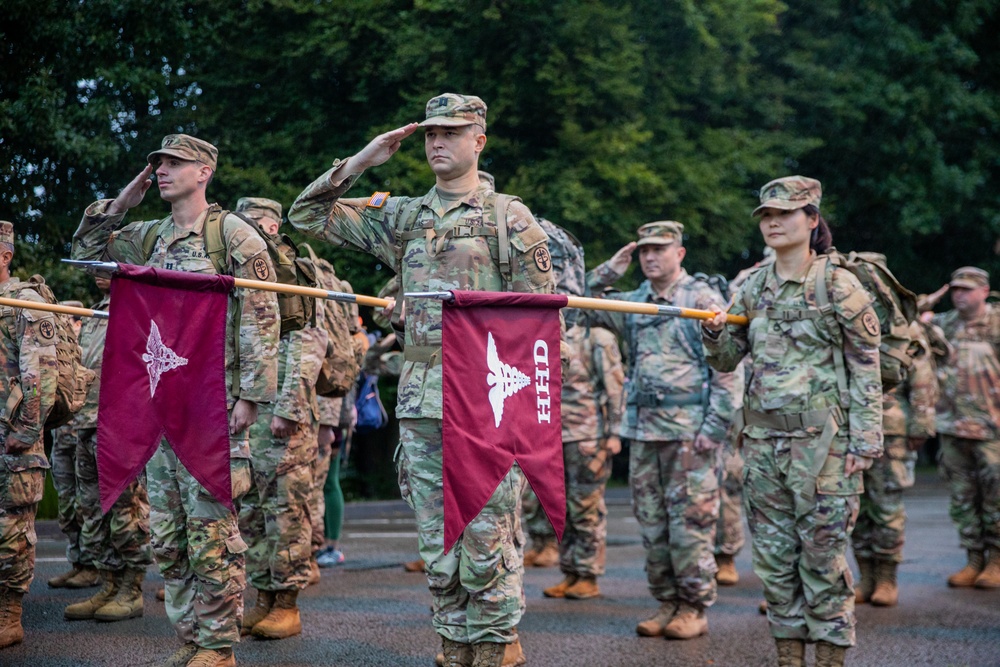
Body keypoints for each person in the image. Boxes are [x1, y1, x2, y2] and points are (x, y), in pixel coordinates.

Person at [289, 93, 554, 667]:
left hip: (489, 396)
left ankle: (496, 642)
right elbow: (306, 216)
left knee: (486, 531)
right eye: (430, 133)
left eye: (451, 133)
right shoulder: (408, 216)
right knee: (438, 536)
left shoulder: (510, 219)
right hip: (421, 393)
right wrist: (363, 160)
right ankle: (454, 640)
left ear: (478, 141)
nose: (437, 142)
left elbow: (543, 323)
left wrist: (530, 417)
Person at [72, 134, 280, 667]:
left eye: (174, 163)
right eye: (157, 164)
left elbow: (262, 315)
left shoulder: (233, 235)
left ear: (204, 170)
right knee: (169, 533)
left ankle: (217, 645)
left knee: (212, 532)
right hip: (162, 405)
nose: (162, 170)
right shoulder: (147, 236)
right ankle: (188, 637)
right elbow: (87, 257)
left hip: (214, 404)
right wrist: (121, 205)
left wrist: (253, 397)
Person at [702, 176, 883, 667]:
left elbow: (867, 370)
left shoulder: (838, 285)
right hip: (763, 446)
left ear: (811, 220)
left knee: (822, 561)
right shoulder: (754, 286)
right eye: (766, 215)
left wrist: (864, 445)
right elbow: (726, 360)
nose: (774, 222)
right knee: (775, 564)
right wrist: (714, 332)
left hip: (824, 448)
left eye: (785, 213)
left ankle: (828, 658)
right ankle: (788, 656)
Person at [586, 221, 741, 640]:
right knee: (652, 526)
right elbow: (577, 303)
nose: (651, 257)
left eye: (660, 249)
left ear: (680, 253)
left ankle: (693, 606)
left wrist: (715, 427)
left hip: (690, 433)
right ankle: (667, 601)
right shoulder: (636, 299)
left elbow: (727, 370)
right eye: (644, 251)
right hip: (644, 431)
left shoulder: (702, 299)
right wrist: (609, 272)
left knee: (690, 526)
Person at [233, 197, 325, 640]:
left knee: (287, 510)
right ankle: (264, 597)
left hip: (283, 416)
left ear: (271, 225)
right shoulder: (244, 274)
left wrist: (289, 406)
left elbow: (311, 341)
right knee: (252, 512)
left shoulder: (292, 270)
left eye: (253, 224)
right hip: (251, 411)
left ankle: (287, 604)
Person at [538, 219, 625, 601]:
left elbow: (615, 389)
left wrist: (614, 434)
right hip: (552, 435)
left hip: (588, 437)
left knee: (587, 508)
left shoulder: (597, 338)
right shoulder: (545, 332)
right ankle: (570, 571)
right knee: (561, 507)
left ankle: (588, 574)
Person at [63, 274, 155, 623]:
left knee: (125, 508)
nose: (98, 270)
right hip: (86, 423)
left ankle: (131, 589)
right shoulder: (97, 312)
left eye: (109, 262)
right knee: (93, 509)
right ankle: (109, 582)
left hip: (121, 423)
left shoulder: (138, 308)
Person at [0, 220, 59, 649]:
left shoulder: (25, 302)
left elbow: (41, 372)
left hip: (12, 438)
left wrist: (25, 430)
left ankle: (9, 613)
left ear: (5, 255)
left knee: (11, 528)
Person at [852, 322, 936, 606]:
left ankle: (887, 579)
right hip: (848, 427)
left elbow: (922, 377)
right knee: (855, 507)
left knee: (886, 506)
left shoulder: (903, 325)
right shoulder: (843, 312)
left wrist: (921, 424)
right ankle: (865, 577)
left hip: (891, 430)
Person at [932, 266, 1000, 589]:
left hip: (992, 429)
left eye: (967, 289)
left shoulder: (997, 323)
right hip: (952, 425)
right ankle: (974, 559)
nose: (960, 294)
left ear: (984, 291)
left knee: (995, 498)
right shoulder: (945, 324)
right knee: (962, 498)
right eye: (956, 289)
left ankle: (997, 561)